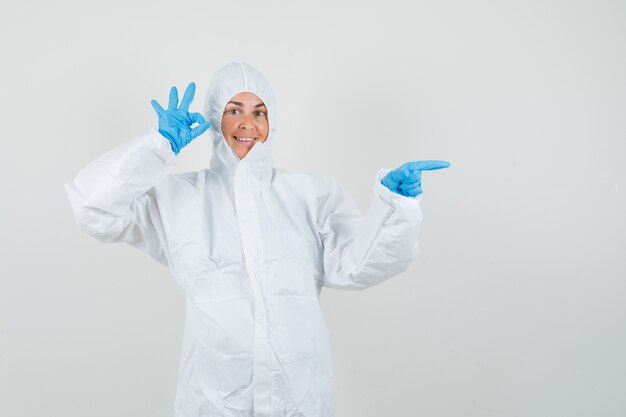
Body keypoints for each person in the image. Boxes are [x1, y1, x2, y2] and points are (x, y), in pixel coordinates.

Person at [64, 61, 450, 417]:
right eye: (234, 110)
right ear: (215, 119)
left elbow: (357, 267)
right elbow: (93, 209)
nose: (247, 123)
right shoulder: (177, 198)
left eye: (258, 112)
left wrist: (395, 207)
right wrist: (157, 145)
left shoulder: (311, 194)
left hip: (299, 398)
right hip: (212, 400)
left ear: (272, 122)